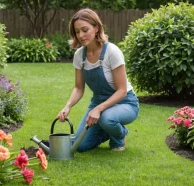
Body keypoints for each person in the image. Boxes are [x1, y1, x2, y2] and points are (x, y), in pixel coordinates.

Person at [56, 8, 139, 152]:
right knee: (80, 146)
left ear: (96, 28)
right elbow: (79, 88)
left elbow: (122, 91)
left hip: (125, 103)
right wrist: (67, 106)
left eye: (85, 29)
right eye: (77, 31)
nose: (81, 35)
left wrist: (99, 109)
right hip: (98, 103)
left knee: (107, 118)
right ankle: (107, 129)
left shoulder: (112, 52)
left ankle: (120, 135)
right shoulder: (79, 56)